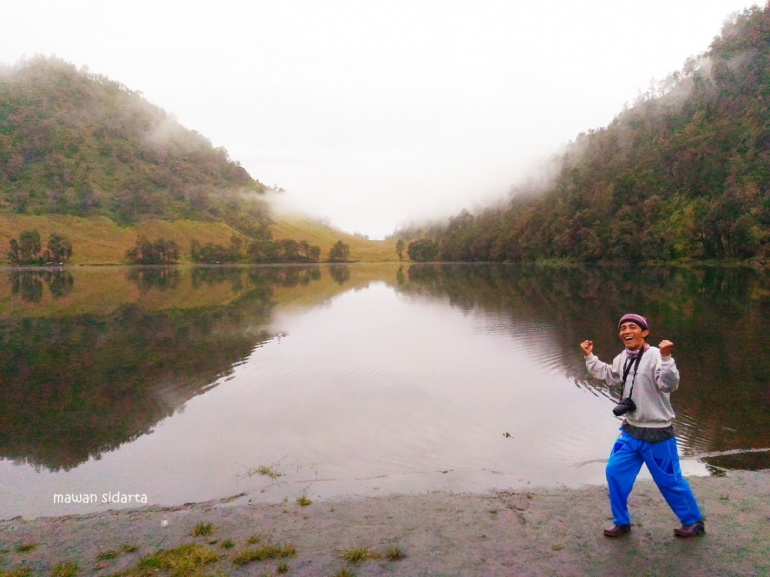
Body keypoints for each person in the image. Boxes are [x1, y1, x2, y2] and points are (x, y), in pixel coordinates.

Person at [580, 313, 705, 538]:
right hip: (630, 430)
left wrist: (667, 358)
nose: (626, 331)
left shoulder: (657, 356)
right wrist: (590, 358)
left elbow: (669, 385)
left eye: (632, 327)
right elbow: (610, 375)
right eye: (623, 328)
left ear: (644, 332)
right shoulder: (622, 357)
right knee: (614, 472)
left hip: (658, 433)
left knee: (669, 481)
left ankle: (693, 521)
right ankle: (621, 521)